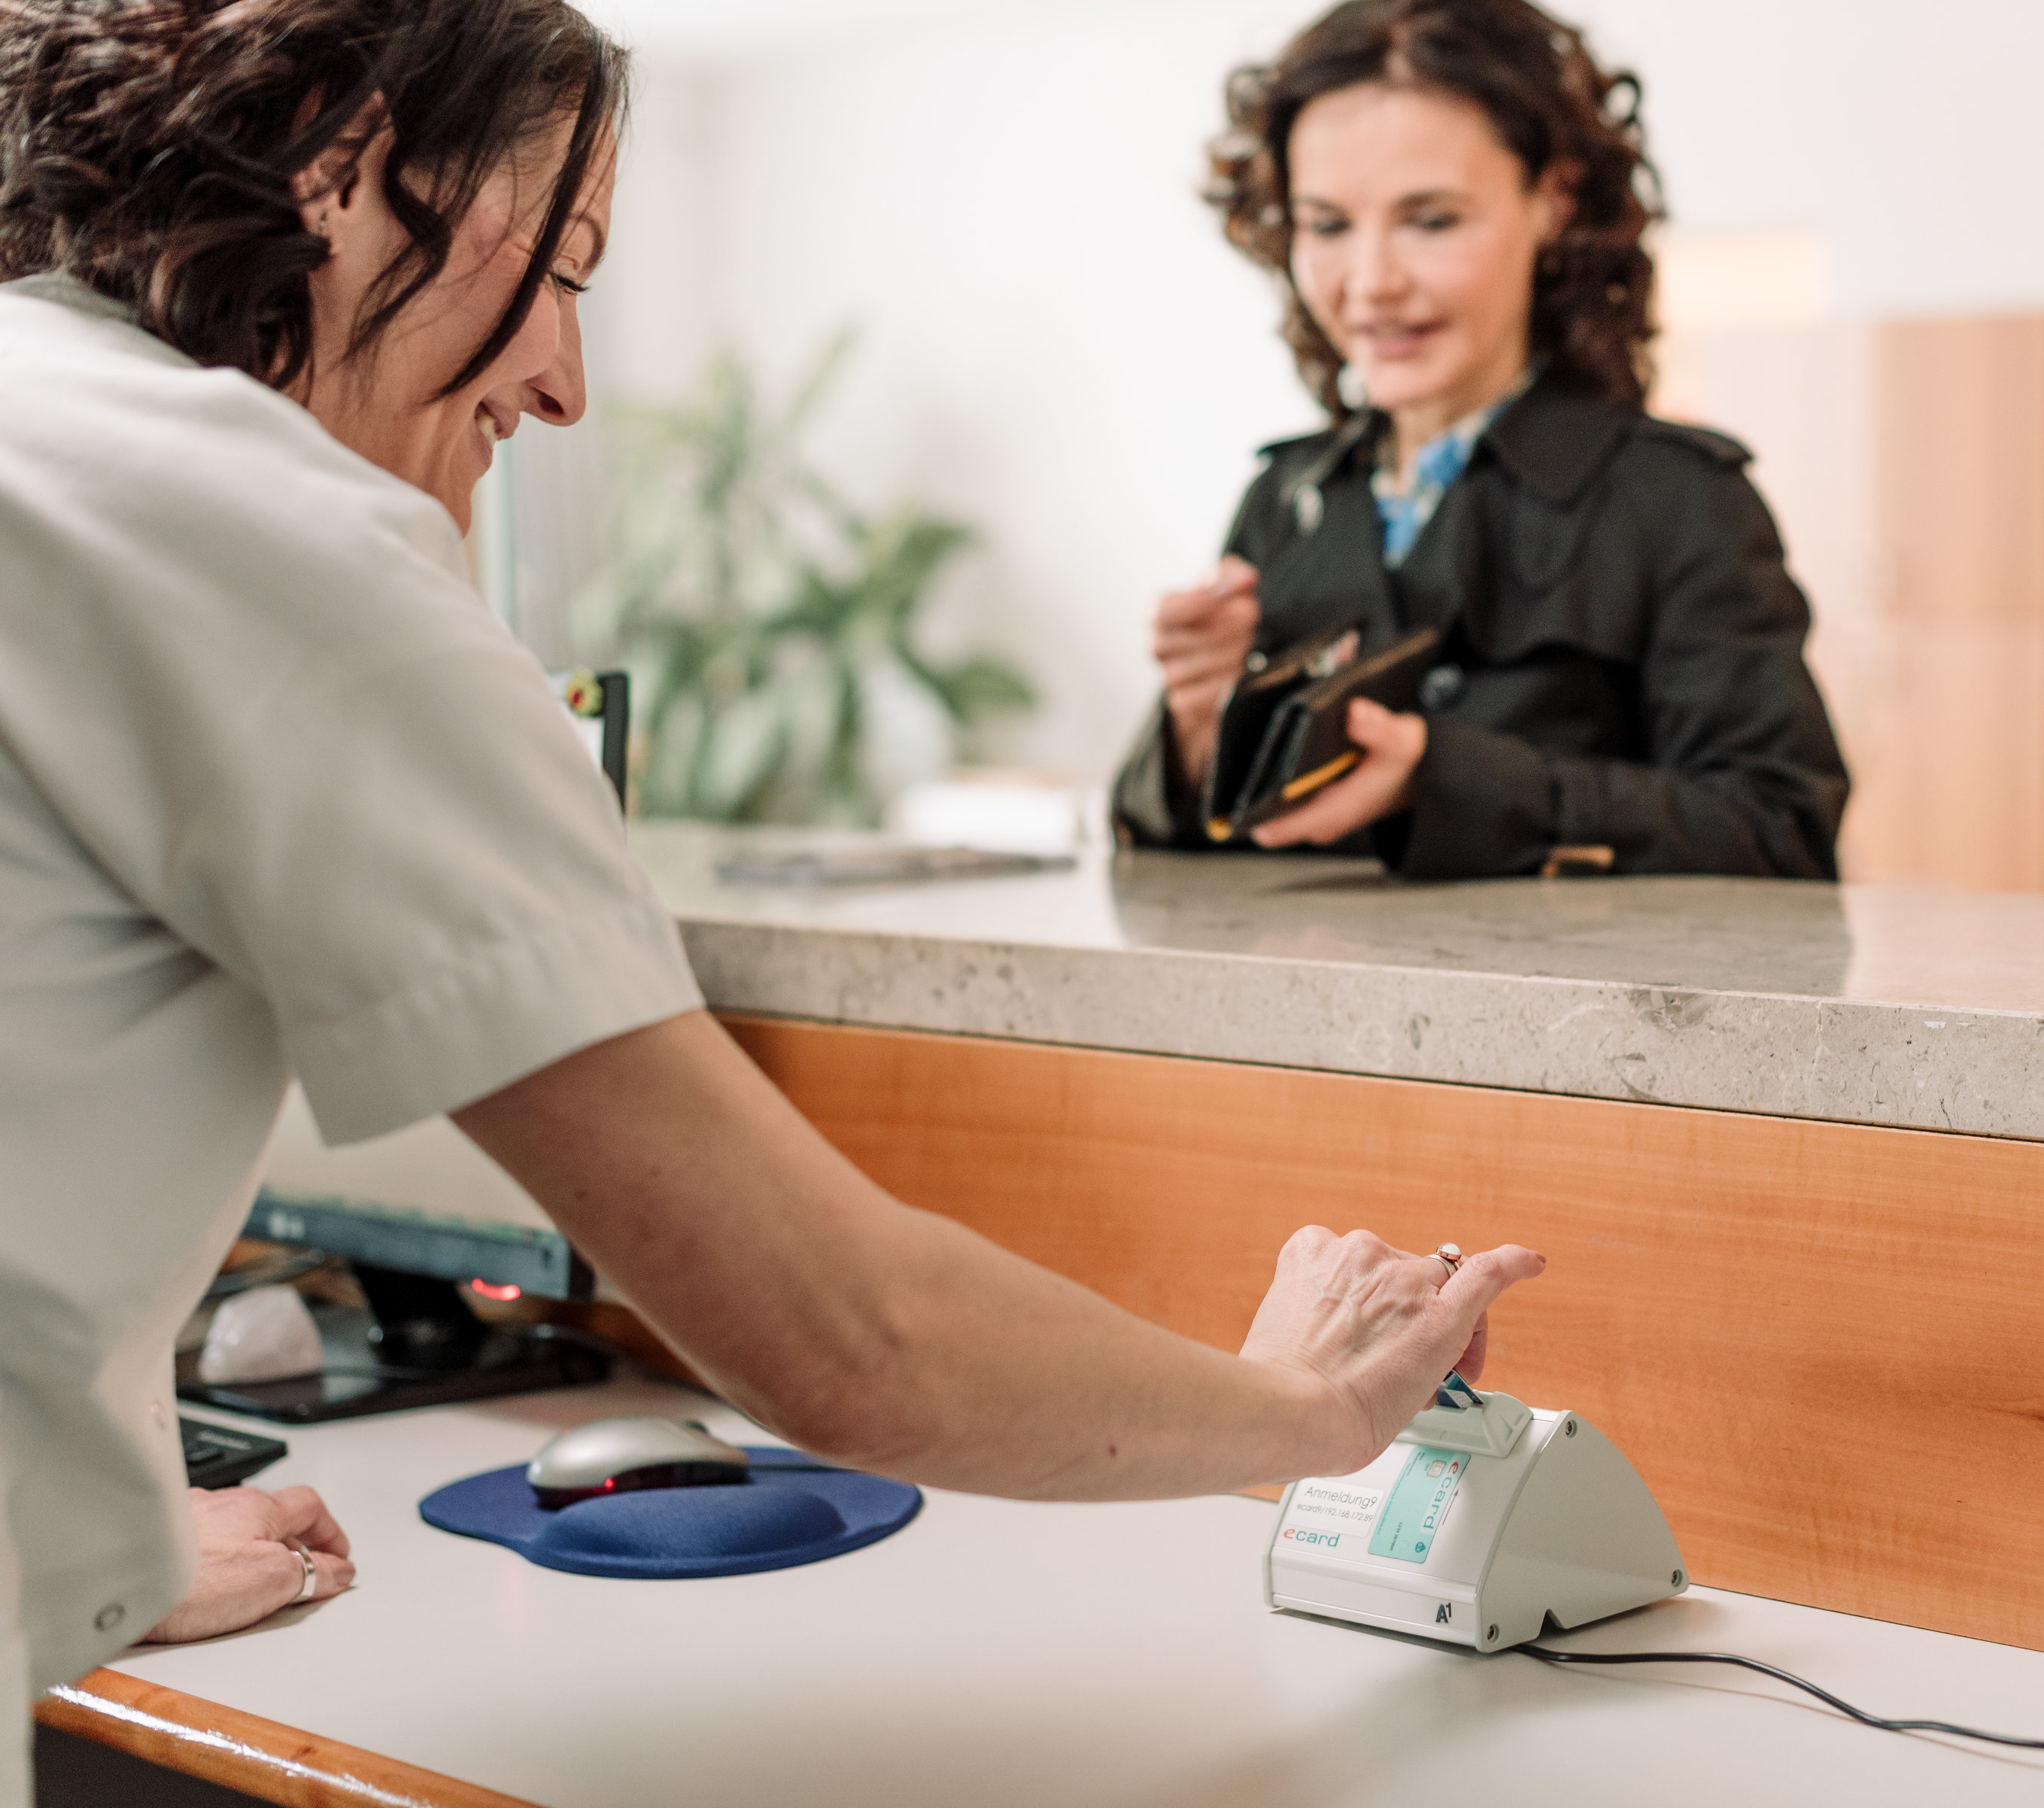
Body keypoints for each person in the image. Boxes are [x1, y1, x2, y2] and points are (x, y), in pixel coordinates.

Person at [0, 2, 1540, 1794]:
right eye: (561, 266)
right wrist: (1317, 1408)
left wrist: (84, 1522)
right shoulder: (265, 538)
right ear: (343, 158)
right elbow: (850, 1334)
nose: (566, 381)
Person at [1111, 0, 1849, 880]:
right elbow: (1173, 855)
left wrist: (1443, 780)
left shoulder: (1679, 497)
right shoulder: (1287, 497)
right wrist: (1198, 733)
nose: (1371, 283)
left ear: (1552, 201)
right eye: (1328, 225)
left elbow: (1782, 831)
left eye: (1431, 221)